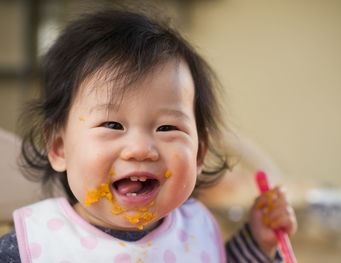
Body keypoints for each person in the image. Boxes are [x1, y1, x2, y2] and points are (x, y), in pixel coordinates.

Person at [0, 9, 296, 263]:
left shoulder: (195, 230)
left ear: (199, 154)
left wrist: (257, 242)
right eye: (113, 125)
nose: (140, 149)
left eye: (167, 128)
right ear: (59, 148)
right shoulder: (33, 246)